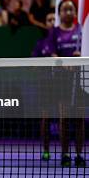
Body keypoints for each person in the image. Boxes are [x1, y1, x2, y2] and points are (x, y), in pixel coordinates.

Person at [44, 0, 85, 167]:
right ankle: (65, 153)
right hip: (62, 80)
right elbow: (52, 54)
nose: (67, 12)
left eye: (70, 9)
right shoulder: (54, 32)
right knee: (64, 118)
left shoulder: (82, 31)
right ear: (59, 13)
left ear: (75, 13)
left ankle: (79, 154)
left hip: (80, 80)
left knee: (79, 119)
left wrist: (80, 54)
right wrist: (64, 61)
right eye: (64, 9)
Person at [32, 11, 56, 161]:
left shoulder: (61, 40)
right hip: (46, 85)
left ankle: (66, 153)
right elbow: (33, 65)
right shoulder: (41, 43)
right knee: (45, 119)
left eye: (54, 19)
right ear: (45, 23)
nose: (52, 22)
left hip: (64, 86)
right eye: (49, 19)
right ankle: (46, 150)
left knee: (64, 119)